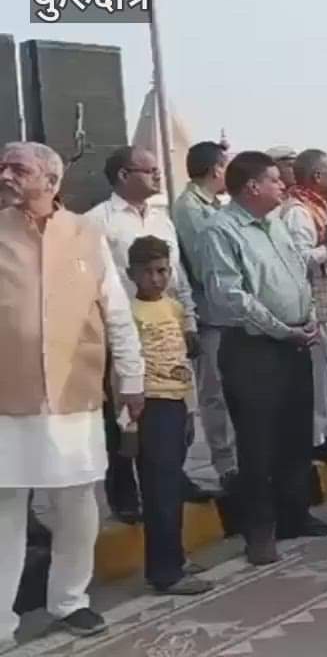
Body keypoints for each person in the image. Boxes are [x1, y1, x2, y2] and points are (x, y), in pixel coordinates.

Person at [0, 141, 145, 641]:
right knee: (4, 508)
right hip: (6, 397)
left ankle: (69, 601)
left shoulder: (86, 234)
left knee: (77, 504)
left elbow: (117, 312)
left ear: (51, 179)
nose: (6, 174)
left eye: (18, 167)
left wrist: (132, 378)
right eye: (4, 166)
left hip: (73, 392)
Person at [199, 151, 327, 566]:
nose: (284, 186)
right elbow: (231, 297)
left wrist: (308, 317)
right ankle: (259, 532)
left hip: (294, 343)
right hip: (253, 350)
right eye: (276, 180)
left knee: (295, 435)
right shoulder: (221, 230)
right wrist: (284, 329)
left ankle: (295, 515)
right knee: (258, 444)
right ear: (252, 187)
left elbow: (298, 276)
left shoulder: (276, 225)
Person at [84, 146, 212, 524]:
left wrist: (188, 320)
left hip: (167, 324)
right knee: (125, 416)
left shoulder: (161, 218)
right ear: (124, 175)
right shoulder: (97, 221)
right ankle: (123, 493)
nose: (159, 175)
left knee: (174, 408)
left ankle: (175, 477)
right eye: (150, 170)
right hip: (123, 329)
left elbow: (178, 275)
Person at [125, 236, 214, 595]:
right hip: (149, 406)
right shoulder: (128, 313)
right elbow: (123, 371)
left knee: (172, 485)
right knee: (159, 490)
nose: (156, 278)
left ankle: (173, 558)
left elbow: (181, 364)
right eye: (147, 272)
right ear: (132, 274)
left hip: (176, 404)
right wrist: (128, 422)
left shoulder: (175, 309)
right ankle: (164, 571)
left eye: (162, 270)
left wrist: (190, 409)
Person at [172, 141, 237, 490]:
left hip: (229, 314)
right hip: (211, 313)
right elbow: (206, 264)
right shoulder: (189, 208)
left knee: (234, 390)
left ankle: (238, 459)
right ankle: (225, 464)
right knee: (215, 394)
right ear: (216, 169)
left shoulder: (214, 205)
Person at [279, 149, 327, 454]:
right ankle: (322, 437)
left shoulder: (318, 208)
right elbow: (298, 259)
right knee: (323, 373)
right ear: (317, 176)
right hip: (313, 307)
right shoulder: (298, 212)